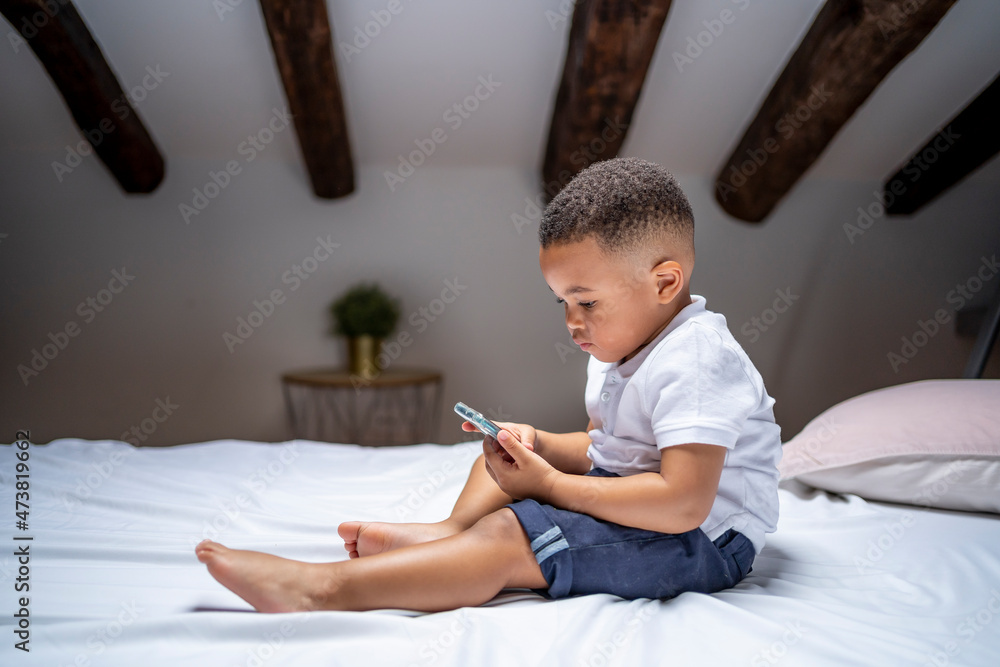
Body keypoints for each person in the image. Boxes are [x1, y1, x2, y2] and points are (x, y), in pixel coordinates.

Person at [195, 157, 782, 613]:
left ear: (665, 282)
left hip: (703, 541)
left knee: (509, 534)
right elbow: (614, 452)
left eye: (587, 301)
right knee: (507, 453)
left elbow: (682, 502)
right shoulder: (623, 348)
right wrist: (544, 447)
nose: (572, 322)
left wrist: (552, 486)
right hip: (649, 503)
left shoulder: (699, 359)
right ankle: (449, 535)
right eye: (562, 302)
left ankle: (318, 590)